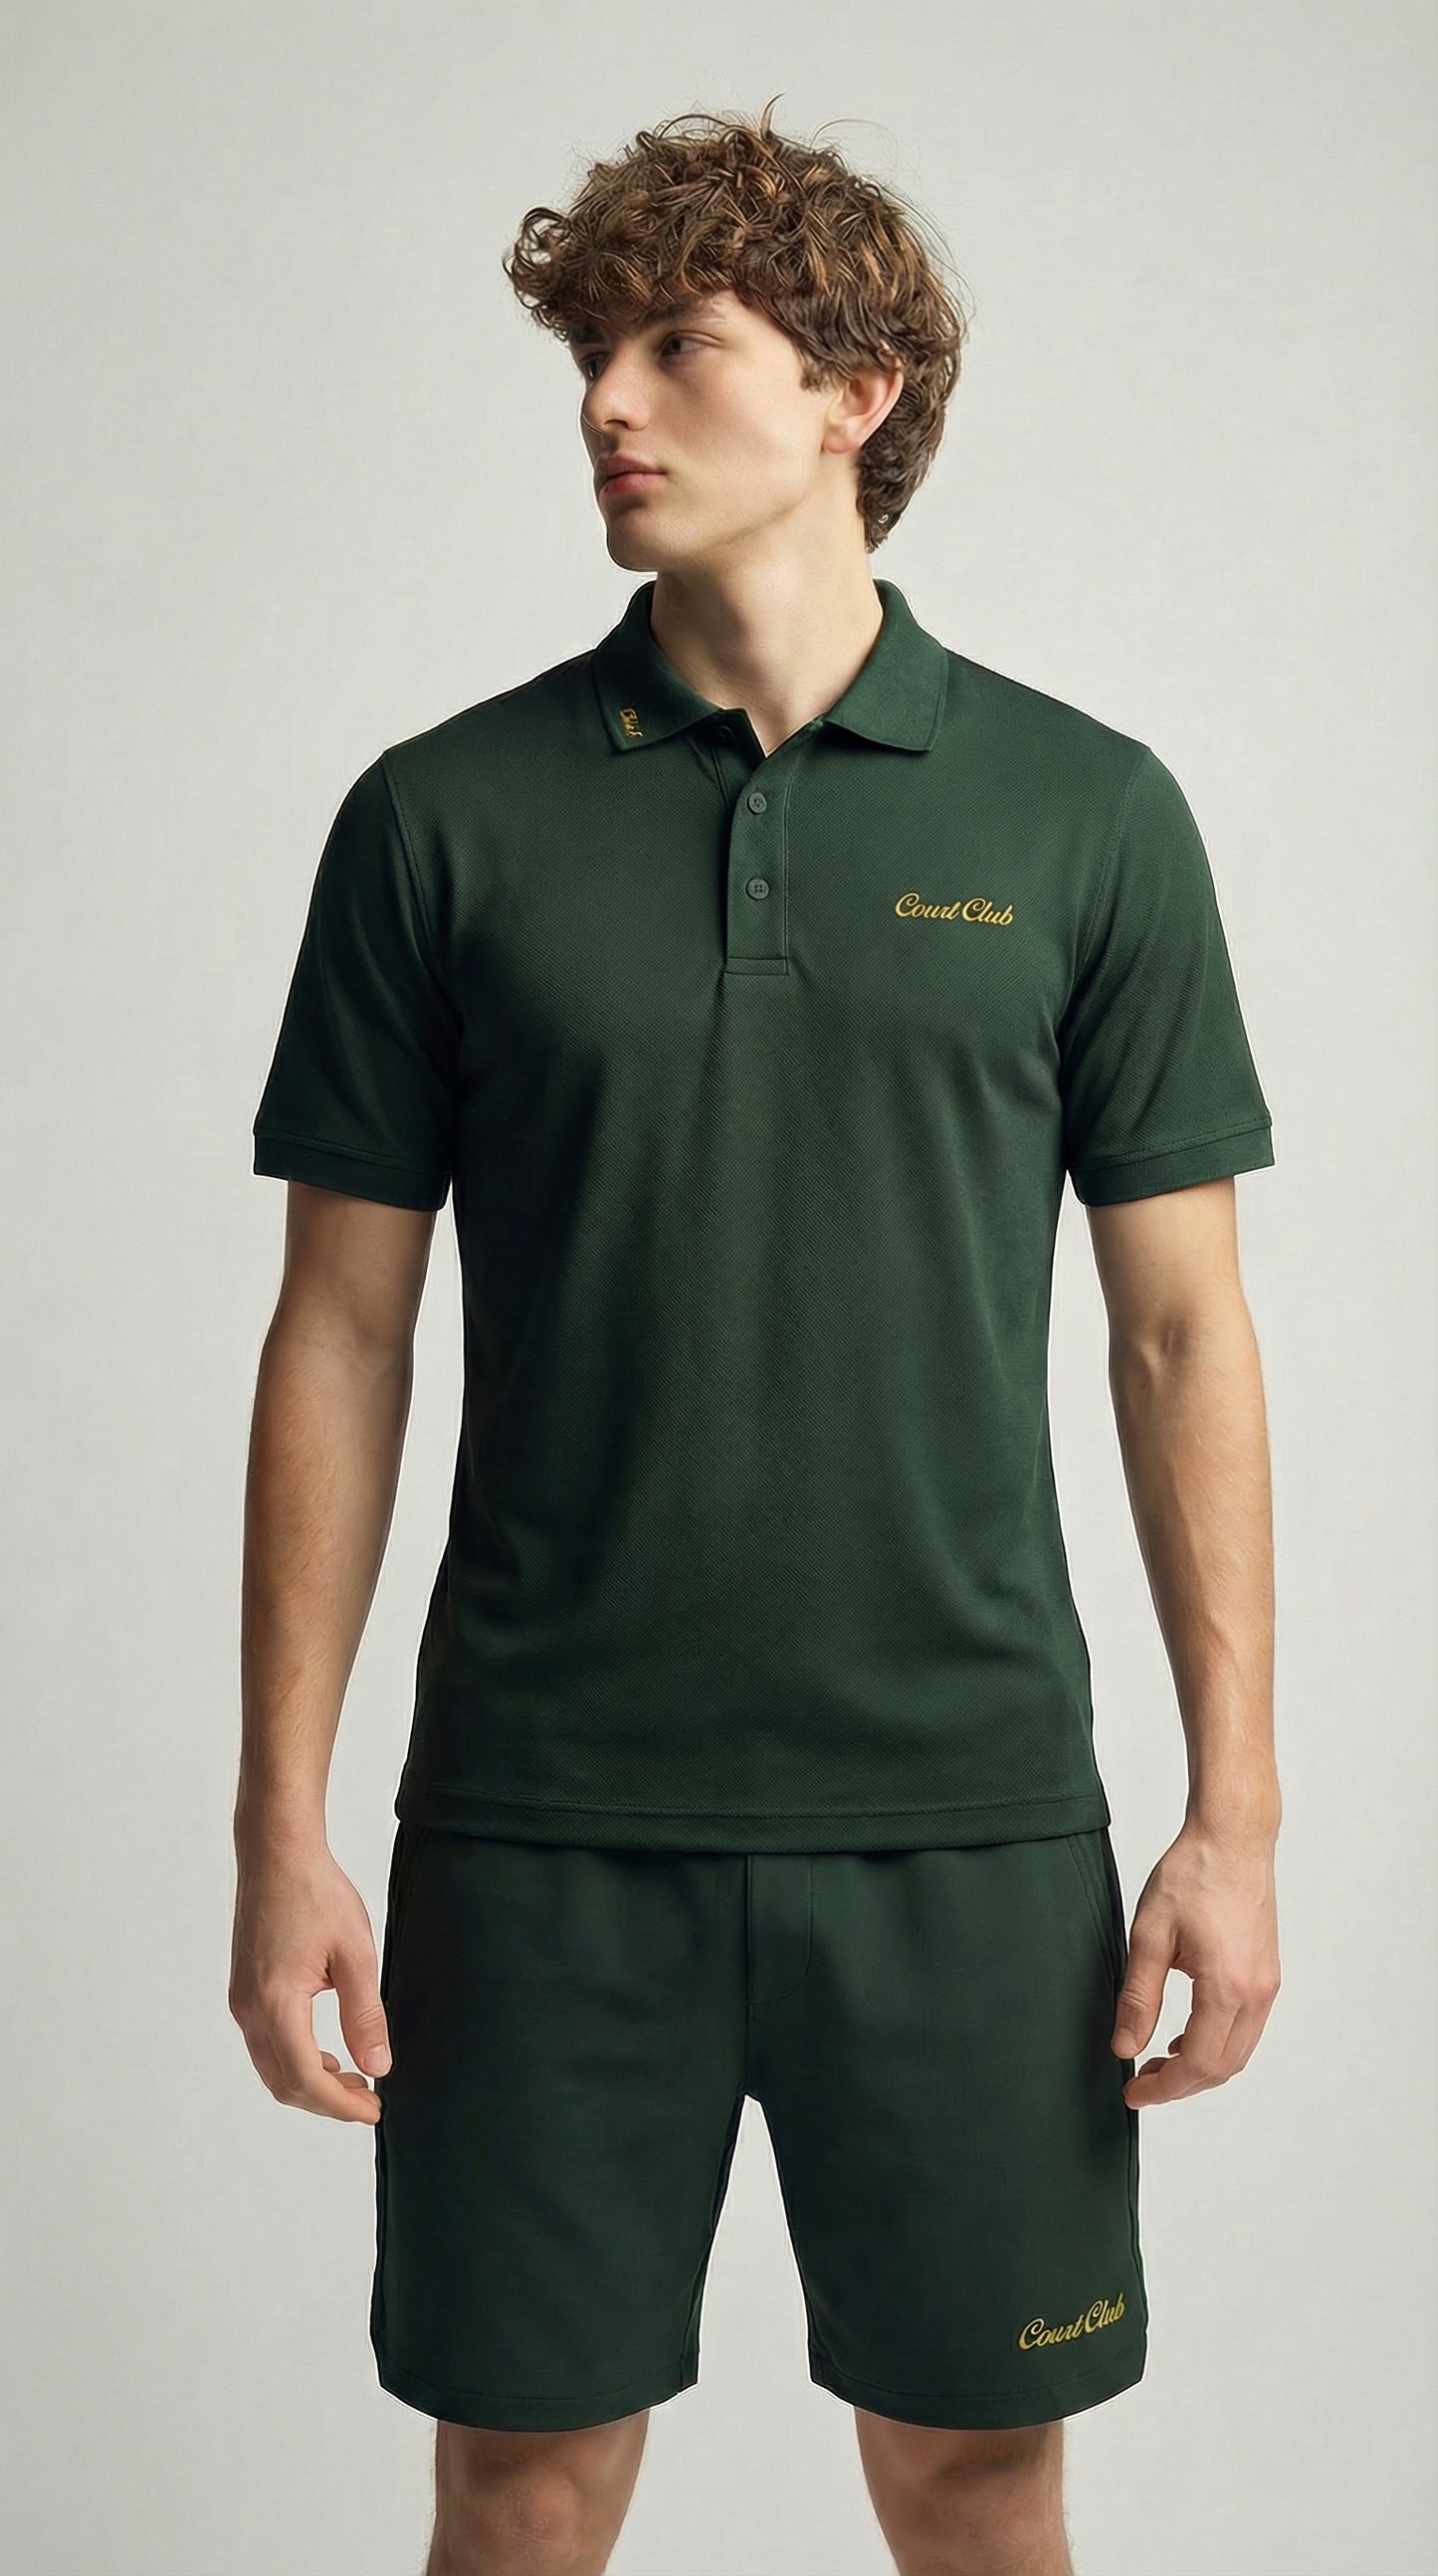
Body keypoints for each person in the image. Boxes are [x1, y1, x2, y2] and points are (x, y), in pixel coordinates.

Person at [229, 99, 1282, 2576]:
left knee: (976, 2484)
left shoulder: (1088, 817)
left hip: (968, 1827)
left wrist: (1234, 1813)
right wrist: (281, 1822)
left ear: (853, 391)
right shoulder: (439, 820)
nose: (606, 401)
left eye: (674, 345)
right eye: (587, 353)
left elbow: (1180, 1337)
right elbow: (339, 1335)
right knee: (520, 2489)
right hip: (540, 1822)